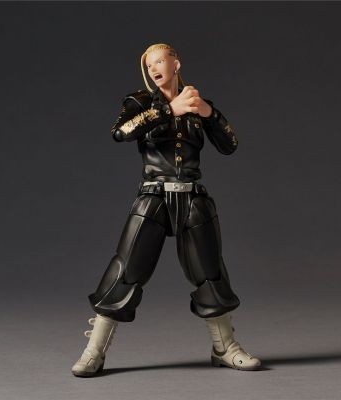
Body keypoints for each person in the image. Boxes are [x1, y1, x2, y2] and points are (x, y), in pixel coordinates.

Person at [72, 43, 261, 377]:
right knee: (125, 272)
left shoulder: (197, 102)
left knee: (210, 273)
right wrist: (169, 110)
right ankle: (94, 352)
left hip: (193, 197)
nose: (154, 68)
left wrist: (208, 112)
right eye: (149, 65)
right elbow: (120, 132)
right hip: (154, 196)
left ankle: (225, 348)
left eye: (160, 60)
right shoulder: (140, 102)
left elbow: (230, 144)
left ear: (176, 63)